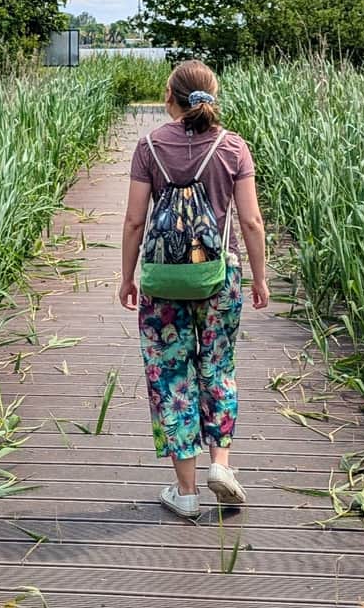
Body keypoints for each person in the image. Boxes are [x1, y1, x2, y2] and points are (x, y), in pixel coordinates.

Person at [118, 59, 269, 519]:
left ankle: (185, 494)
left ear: (170, 98)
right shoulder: (233, 148)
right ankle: (221, 465)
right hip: (218, 280)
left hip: (162, 284)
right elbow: (251, 222)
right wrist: (259, 278)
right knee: (218, 368)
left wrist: (127, 277)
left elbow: (134, 220)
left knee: (172, 380)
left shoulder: (148, 146)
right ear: (212, 96)